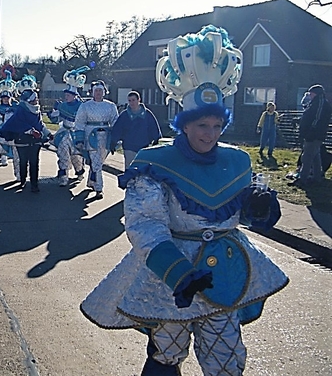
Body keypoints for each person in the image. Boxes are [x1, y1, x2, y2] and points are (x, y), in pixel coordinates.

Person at [80, 25, 288, 376]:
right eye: (201, 125)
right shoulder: (155, 164)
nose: (210, 134)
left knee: (227, 357)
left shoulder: (236, 160)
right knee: (167, 353)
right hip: (171, 278)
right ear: (185, 125)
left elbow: (242, 213)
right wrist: (177, 274)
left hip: (225, 272)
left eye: (216, 126)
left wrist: (259, 206)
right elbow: (145, 225)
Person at [0, 89, 52, 193]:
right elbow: (18, 124)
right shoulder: (21, 110)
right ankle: (22, 180)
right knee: (23, 162)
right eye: (35, 98)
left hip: (36, 141)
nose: (37, 100)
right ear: (29, 100)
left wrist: (48, 133)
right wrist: (31, 131)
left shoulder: (37, 110)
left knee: (34, 162)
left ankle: (34, 184)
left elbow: (40, 124)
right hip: (22, 140)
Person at [73, 80, 118, 198]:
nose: (98, 93)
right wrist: (79, 139)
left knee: (98, 162)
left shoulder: (111, 106)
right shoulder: (85, 106)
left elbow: (115, 122)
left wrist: (116, 138)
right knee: (97, 162)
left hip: (105, 137)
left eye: (100, 91)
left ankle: (91, 181)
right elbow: (79, 122)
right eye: (96, 91)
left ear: (104, 92)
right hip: (91, 137)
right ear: (92, 92)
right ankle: (99, 188)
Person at [49, 67, 87, 186]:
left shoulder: (82, 106)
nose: (67, 96)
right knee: (63, 152)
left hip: (77, 134)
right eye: (66, 94)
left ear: (75, 95)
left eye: (69, 95)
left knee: (77, 156)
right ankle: (63, 176)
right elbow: (54, 118)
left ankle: (79, 171)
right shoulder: (63, 106)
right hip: (65, 132)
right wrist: (55, 109)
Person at [110, 90, 162, 170]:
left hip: (143, 147)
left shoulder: (147, 114)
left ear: (139, 100)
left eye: (133, 100)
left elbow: (154, 127)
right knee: (130, 168)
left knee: (142, 169)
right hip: (129, 146)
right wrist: (113, 141)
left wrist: (156, 139)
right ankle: (128, 182)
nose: (132, 103)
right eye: (129, 101)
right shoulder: (125, 115)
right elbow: (118, 129)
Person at [293, 84, 332, 187]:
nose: (310, 95)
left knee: (307, 157)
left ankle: (303, 179)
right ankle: (317, 177)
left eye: (311, 93)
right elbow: (308, 116)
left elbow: (317, 119)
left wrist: (311, 131)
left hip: (314, 135)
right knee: (315, 156)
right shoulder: (314, 103)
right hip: (312, 134)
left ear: (316, 93)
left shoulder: (321, 103)